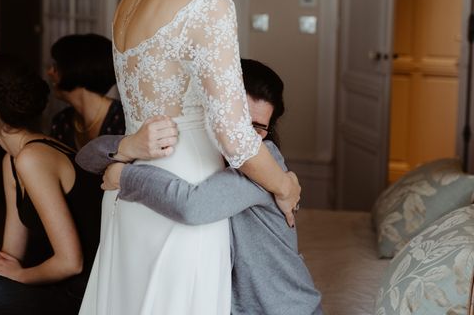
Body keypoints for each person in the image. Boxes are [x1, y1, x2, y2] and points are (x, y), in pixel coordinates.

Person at [79, 0, 301, 315]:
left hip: (133, 191)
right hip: (185, 195)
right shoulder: (209, 4)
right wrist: (284, 184)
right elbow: (235, 137)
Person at [76, 58, 323, 315]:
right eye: (240, 123)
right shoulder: (194, 144)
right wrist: (130, 146)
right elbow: (85, 158)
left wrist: (125, 175)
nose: (246, 137)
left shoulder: (264, 161)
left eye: (259, 128)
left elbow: (193, 206)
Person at [0, 52, 100, 315]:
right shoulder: (13, 160)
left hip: (78, 295)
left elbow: (71, 263)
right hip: (46, 281)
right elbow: (10, 254)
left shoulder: (32, 158)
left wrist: (18, 277)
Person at [48, 33, 125, 151]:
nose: (50, 72)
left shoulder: (122, 121)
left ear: (77, 68)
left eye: (56, 67)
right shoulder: (61, 122)